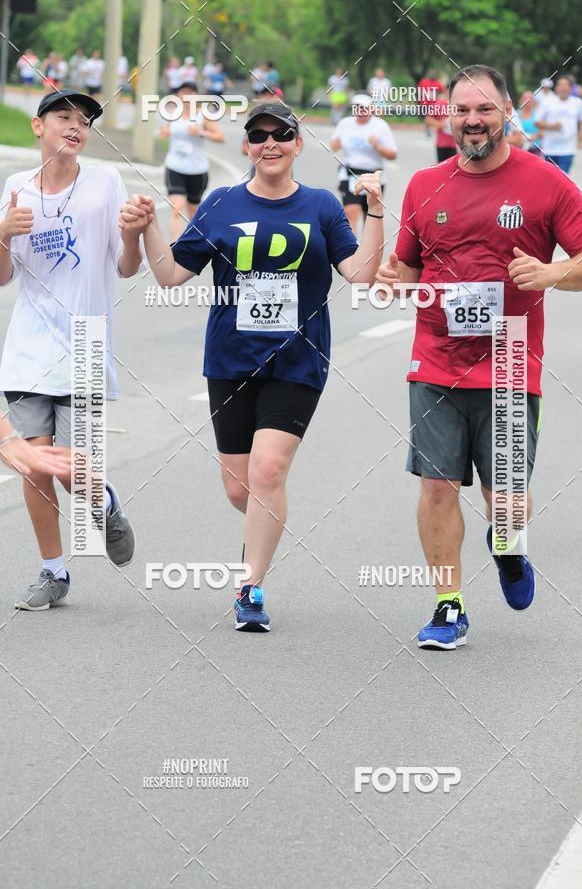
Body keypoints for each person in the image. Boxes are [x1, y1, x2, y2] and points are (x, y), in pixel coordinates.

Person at [119, 102, 384, 632]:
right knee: (240, 490)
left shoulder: (322, 207)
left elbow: (361, 275)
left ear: (297, 144)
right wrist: (143, 229)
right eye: (258, 135)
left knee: (267, 472)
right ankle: (267, 521)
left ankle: (250, 587)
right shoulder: (220, 203)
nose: (270, 143)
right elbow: (170, 274)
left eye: (281, 134)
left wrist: (374, 209)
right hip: (230, 360)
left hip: (298, 360)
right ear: (246, 146)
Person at [376, 64, 582, 650]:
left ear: (507, 113)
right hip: (436, 361)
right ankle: (448, 607)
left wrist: (553, 271)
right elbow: (407, 268)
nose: (473, 121)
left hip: (509, 363)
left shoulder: (547, 182)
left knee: (506, 507)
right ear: (449, 117)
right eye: (463, 111)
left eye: (484, 110)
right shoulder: (426, 185)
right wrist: (393, 279)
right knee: (436, 488)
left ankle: (507, 548)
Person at [0, 90, 143, 610]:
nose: (75, 126)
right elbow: (2, 276)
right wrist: (1, 234)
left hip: (84, 342)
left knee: (73, 472)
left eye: (84, 121)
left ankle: (102, 503)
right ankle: (53, 571)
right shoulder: (16, 187)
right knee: (34, 466)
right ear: (38, 127)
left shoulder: (105, 183)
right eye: (64, 117)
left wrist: (133, 235)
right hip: (27, 351)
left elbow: (127, 267)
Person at [160, 82, 225, 241]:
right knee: (176, 209)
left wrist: (201, 132)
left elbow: (221, 137)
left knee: (194, 212)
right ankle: (176, 247)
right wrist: (165, 133)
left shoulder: (203, 116)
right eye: (183, 92)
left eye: (191, 92)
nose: (187, 96)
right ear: (178, 96)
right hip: (174, 167)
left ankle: (193, 247)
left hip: (197, 169)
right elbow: (165, 131)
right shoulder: (173, 114)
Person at [330, 93, 397, 234]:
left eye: (364, 108)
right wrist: (337, 144)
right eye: (357, 108)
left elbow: (392, 154)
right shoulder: (345, 124)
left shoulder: (380, 126)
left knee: (370, 220)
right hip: (349, 174)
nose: (361, 112)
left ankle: (368, 252)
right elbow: (334, 144)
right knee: (350, 213)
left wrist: (377, 146)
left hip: (374, 176)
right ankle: (352, 250)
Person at [536, 75, 582, 174]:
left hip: (568, 149)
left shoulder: (577, 102)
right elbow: (537, 122)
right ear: (556, 88)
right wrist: (552, 126)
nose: (563, 88)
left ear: (571, 88)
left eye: (566, 85)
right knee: (550, 177)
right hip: (550, 148)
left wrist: (581, 136)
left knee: (563, 176)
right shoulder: (548, 102)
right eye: (560, 85)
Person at [424, 87, 457, 162]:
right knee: (442, 169)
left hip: (455, 144)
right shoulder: (441, 104)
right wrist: (441, 124)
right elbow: (428, 119)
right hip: (442, 144)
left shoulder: (458, 105)